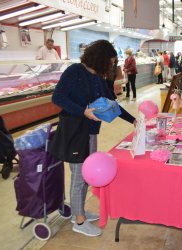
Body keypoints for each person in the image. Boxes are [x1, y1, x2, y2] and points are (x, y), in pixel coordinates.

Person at [52, 40, 136, 237]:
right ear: (100, 58)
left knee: (87, 175)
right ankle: (78, 221)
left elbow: (112, 104)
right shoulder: (75, 71)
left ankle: (78, 211)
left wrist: (133, 120)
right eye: (111, 62)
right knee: (79, 177)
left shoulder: (98, 77)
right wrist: (83, 111)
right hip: (75, 131)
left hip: (90, 131)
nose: (112, 65)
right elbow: (58, 98)